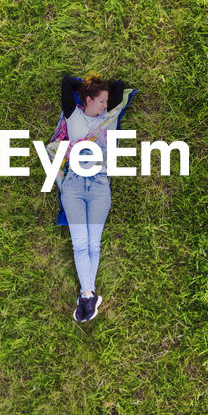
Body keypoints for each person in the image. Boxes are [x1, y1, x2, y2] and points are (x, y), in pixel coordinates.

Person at [46, 72, 137, 324]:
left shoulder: (108, 119)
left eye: (107, 102)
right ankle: (88, 294)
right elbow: (65, 81)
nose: (106, 105)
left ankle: (87, 296)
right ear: (87, 99)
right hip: (74, 184)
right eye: (101, 101)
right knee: (80, 243)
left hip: (98, 184)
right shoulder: (72, 116)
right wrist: (85, 87)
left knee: (92, 244)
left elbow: (119, 86)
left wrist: (100, 92)